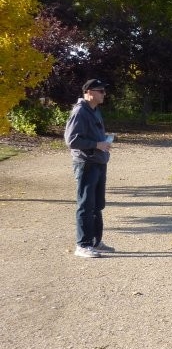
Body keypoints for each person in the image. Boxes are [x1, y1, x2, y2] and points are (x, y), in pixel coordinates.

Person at [64, 79, 114, 258]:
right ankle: (82, 245)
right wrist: (97, 145)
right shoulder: (80, 112)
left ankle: (95, 241)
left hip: (99, 162)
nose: (104, 94)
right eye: (101, 91)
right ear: (89, 92)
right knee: (85, 204)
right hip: (86, 163)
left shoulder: (95, 110)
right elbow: (71, 140)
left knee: (97, 204)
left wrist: (104, 143)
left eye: (104, 91)